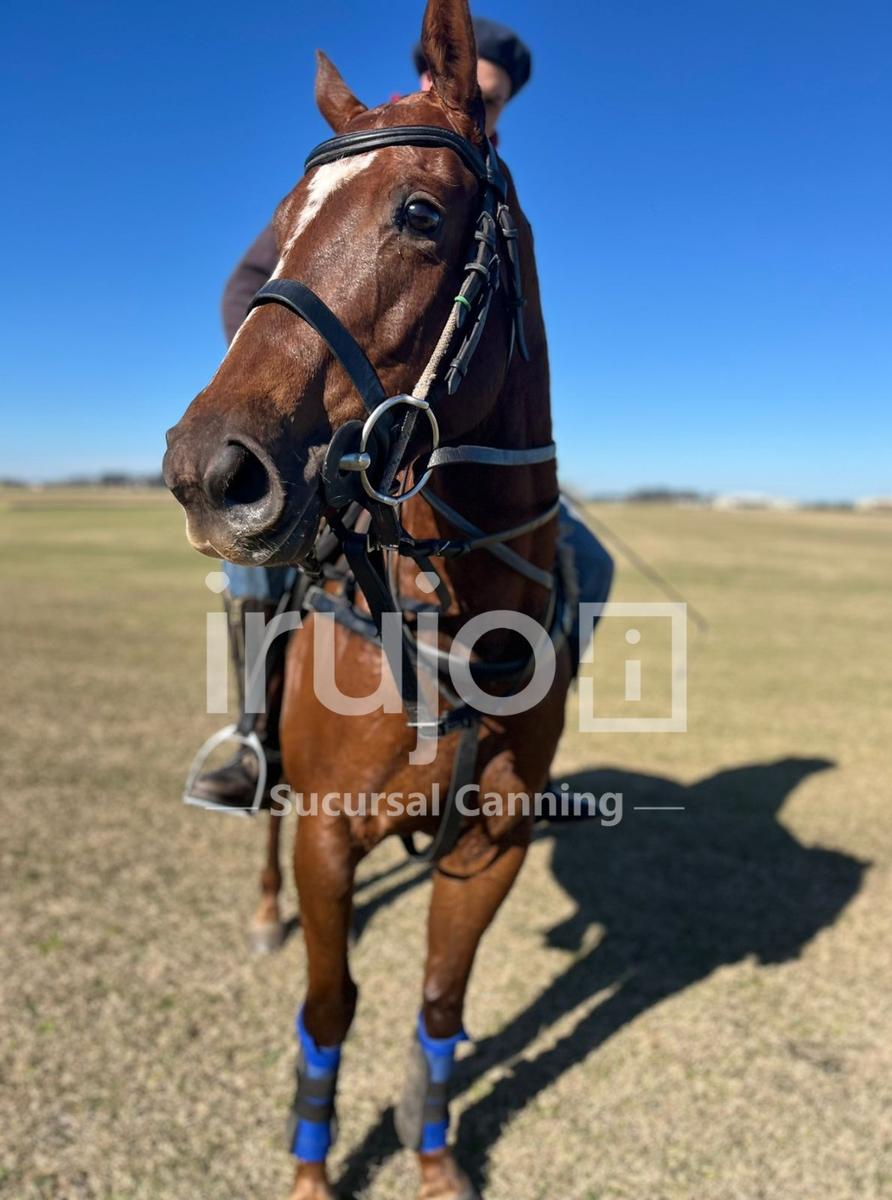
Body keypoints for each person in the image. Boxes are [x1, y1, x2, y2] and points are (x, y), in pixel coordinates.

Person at [188, 17, 614, 812]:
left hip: (465, 449)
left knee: (590, 563)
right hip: (355, 427)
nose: (473, 109)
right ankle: (255, 734)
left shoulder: (485, 186)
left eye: (492, 103)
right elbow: (249, 283)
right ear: (434, 70)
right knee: (253, 564)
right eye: (464, 88)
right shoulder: (364, 165)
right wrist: (278, 391)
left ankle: (531, 720)